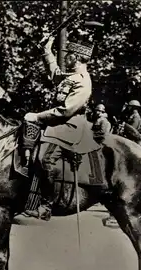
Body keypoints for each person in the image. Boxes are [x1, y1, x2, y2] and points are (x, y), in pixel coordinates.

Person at [23, 32, 93, 220]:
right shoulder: (72, 77)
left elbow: (65, 111)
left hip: (70, 126)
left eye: (68, 55)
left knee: (45, 158)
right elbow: (55, 74)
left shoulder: (83, 81)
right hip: (58, 124)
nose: (66, 57)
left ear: (76, 57)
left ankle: (46, 205)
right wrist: (47, 49)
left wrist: (37, 117)